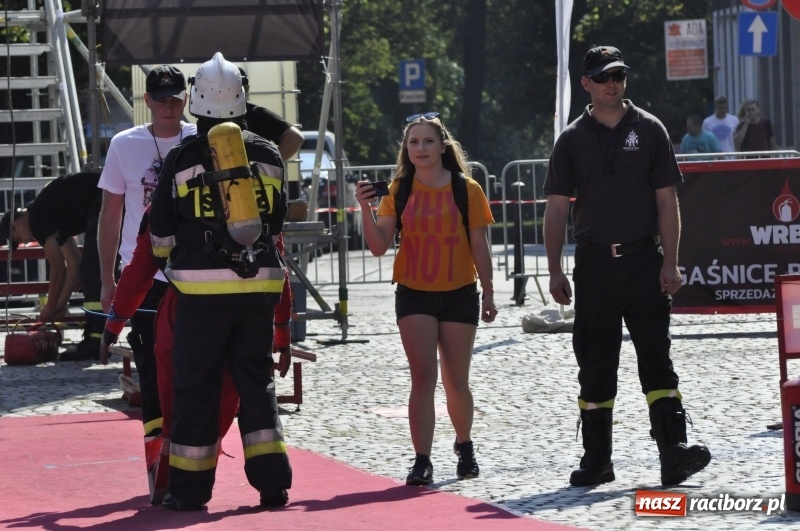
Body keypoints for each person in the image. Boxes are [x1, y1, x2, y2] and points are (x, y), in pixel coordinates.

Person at [543, 45, 711, 488]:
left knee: (656, 359)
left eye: (618, 75)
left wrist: (671, 263)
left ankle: (673, 452)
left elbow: (666, 202)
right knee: (595, 364)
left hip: (643, 261)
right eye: (603, 77)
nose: (612, 84)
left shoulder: (650, 129)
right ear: (586, 84)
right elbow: (557, 210)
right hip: (595, 266)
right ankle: (597, 459)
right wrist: (555, 270)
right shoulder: (572, 138)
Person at [149, 52, 291, 510]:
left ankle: (189, 493)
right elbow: (278, 220)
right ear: (243, 100)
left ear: (196, 102)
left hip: (200, 295)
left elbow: (162, 232)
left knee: (197, 388)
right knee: (257, 384)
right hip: (257, 293)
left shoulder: (183, 156)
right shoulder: (269, 155)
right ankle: (273, 484)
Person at [97, 205, 292, 505]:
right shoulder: (255, 192)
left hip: (195, 308)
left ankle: (187, 491)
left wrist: (114, 322)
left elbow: (142, 266)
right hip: (253, 305)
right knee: (256, 392)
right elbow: (276, 261)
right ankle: (273, 485)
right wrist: (282, 331)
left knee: (190, 397)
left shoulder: (174, 190)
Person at [354, 112, 498, 486]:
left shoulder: (467, 189)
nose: (420, 148)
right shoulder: (398, 190)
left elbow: (480, 246)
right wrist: (365, 209)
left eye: (428, 141)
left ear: (442, 146)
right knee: (422, 377)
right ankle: (422, 460)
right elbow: (378, 246)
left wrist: (490, 291)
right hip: (414, 293)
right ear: (406, 148)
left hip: (459, 293)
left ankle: (464, 446)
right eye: (413, 142)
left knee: (456, 380)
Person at [97, 65, 196, 439]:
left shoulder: (201, 139)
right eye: (160, 100)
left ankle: (191, 447)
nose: (168, 107)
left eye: (175, 99)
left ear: (186, 99)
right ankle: (157, 455)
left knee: (194, 365)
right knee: (151, 368)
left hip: (194, 273)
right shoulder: (124, 144)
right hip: (144, 276)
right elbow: (111, 215)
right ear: (147, 101)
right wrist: (108, 280)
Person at [0, 171, 104, 361]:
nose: (25, 241)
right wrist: (61, 303)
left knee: (93, 271)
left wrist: (49, 306)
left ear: (17, 225)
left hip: (104, 197)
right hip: (105, 195)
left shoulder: (37, 218)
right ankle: (98, 336)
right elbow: (73, 264)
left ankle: (95, 340)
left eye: (18, 239)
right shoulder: (50, 215)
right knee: (91, 268)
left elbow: (58, 268)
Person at [239, 67, 304, 162]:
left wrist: (268, 166)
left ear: (246, 88)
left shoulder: (256, 114)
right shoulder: (210, 115)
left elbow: (295, 138)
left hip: (249, 175)